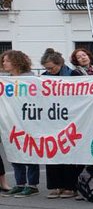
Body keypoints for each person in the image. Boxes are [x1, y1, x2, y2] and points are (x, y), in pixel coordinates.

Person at [40, 49, 84, 200]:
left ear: (60, 64)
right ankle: (56, 185)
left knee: (68, 153)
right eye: (47, 68)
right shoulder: (44, 77)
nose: (49, 71)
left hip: (69, 119)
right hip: (52, 119)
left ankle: (70, 186)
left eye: (52, 68)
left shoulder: (73, 75)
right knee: (52, 152)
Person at [0, 51, 40, 198]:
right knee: (15, 152)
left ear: (16, 62)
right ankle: (20, 183)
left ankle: (32, 185)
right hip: (11, 123)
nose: (4, 63)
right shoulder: (6, 80)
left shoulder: (30, 79)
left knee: (30, 151)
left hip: (28, 121)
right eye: (3, 61)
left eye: (7, 61)